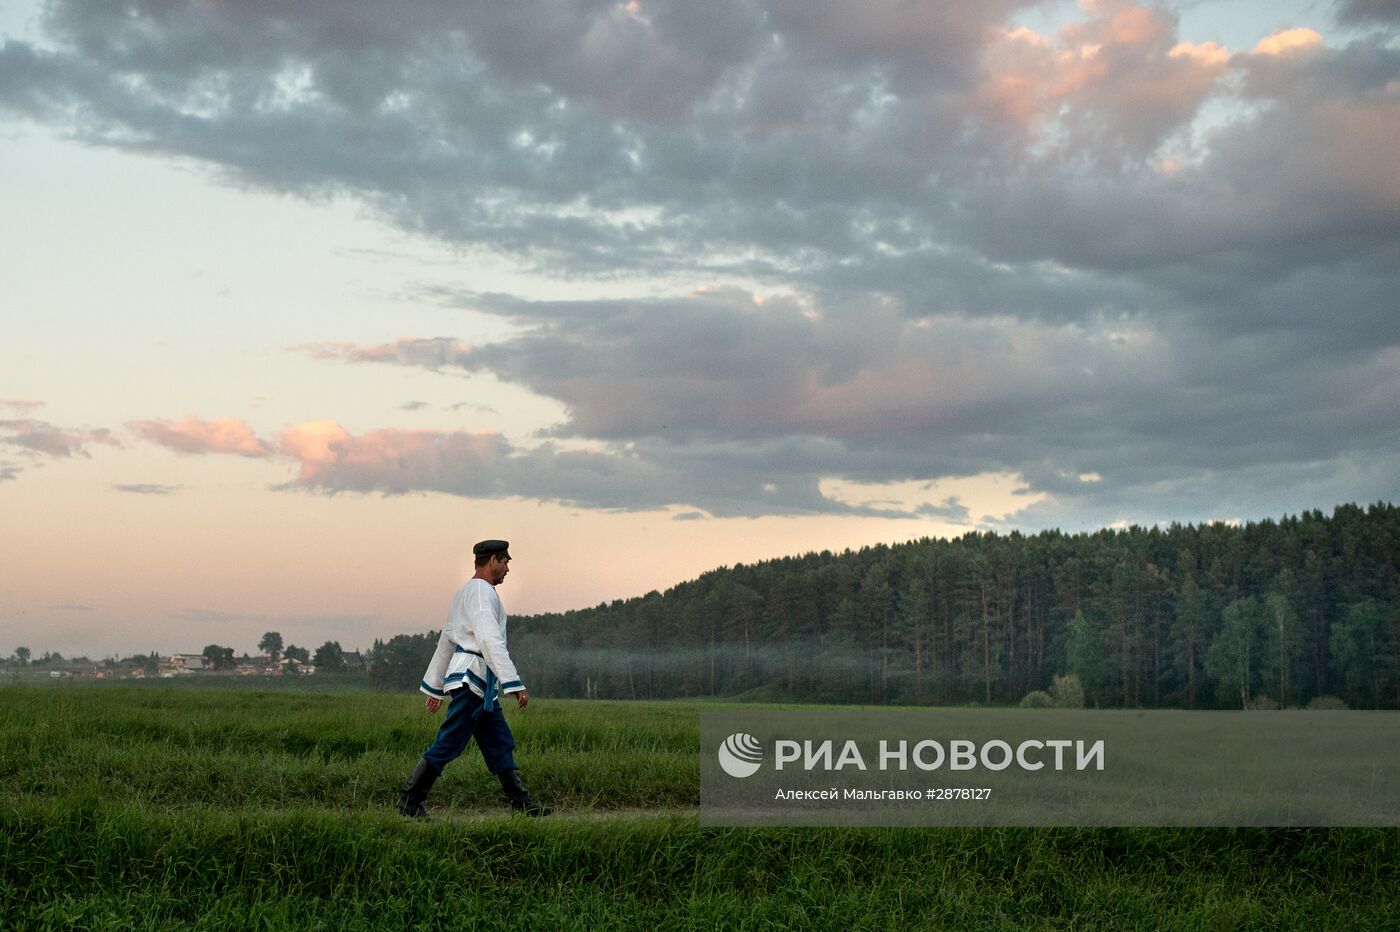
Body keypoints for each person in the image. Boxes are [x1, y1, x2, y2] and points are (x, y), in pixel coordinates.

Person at [396, 539, 551, 818]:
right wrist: (514, 683)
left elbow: (446, 639)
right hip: (472, 680)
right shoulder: (481, 593)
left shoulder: (464, 592)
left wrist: (436, 686)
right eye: (505, 562)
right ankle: (410, 800)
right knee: (449, 741)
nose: (507, 569)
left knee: (499, 741)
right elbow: (489, 640)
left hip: (480, 685)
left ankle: (521, 803)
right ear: (493, 560)